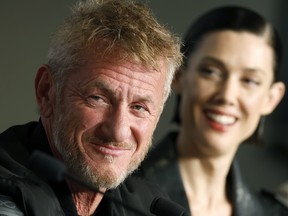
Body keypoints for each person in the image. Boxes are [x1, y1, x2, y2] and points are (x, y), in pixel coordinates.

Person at [0, 0, 183, 215]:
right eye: (98, 98)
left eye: (139, 107)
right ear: (47, 91)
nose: (118, 131)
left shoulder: (151, 205)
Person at [137, 5, 288, 216]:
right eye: (211, 72)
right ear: (179, 76)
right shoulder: (116, 195)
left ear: (272, 98)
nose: (227, 95)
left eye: (250, 81)